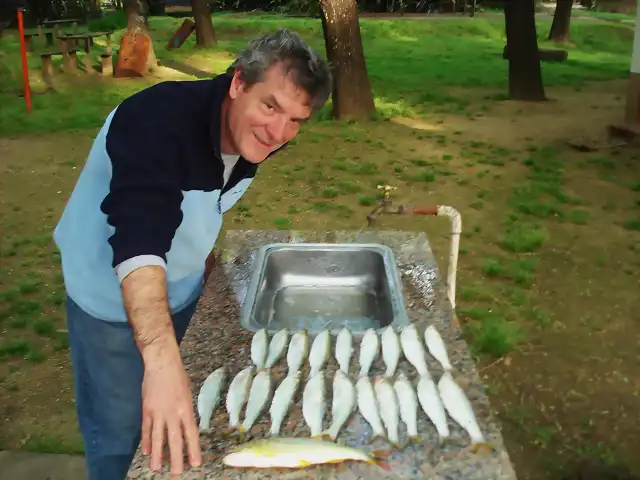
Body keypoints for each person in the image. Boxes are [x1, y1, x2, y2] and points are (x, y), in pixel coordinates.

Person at [53, 29, 332, 479]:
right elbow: (140, 234)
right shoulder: (155, 120)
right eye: (271, 106)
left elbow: (201, 206)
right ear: (238, 82)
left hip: (181, 290)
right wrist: (161, 363)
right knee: (120, 438)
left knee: (176, 427)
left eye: (296, 120)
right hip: (108, 303)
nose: (280, 132)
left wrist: (205, 275)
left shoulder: (252, 131)